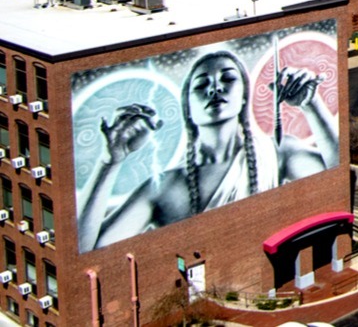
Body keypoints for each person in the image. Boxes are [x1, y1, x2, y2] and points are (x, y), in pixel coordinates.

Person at [78, 50, 335, 253]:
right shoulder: (165, 186)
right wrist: (110, 161)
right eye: (202, 85)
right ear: (187, 107)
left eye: (228, 79)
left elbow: (337, 180)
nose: (215, 89)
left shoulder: (278, 151)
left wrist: (312, 105)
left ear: (244, 96)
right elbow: (89, 249)